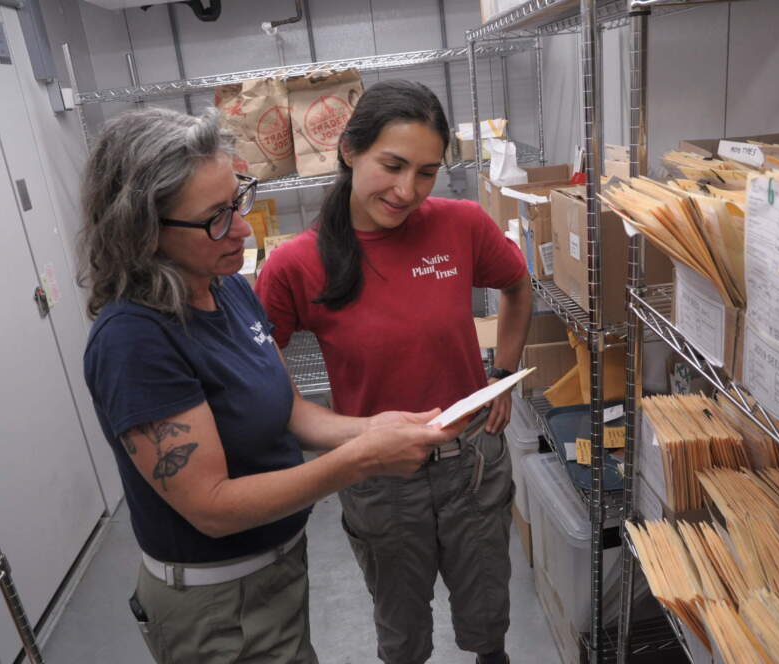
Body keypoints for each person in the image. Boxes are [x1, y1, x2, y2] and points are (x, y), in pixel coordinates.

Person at [78, 106, 460, 664]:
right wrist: (364, 460)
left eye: (237, 201)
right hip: (216, 605)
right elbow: (211, 506)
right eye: (214, 216)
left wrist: (371, 428)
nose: (239, 228)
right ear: (143, 229)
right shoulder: (134, 340)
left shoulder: (224, 286)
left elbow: (287, 409)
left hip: (278, 567)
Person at [255, 80, 534, 664]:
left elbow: (516, 284)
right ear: (349, 150)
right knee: (402, 638)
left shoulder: (460, 225)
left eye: (427, 172)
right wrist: (335, 430)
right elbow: (260, 370)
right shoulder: (294, 265)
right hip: (378, 480)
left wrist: (501, 371)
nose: (408, 190)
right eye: (393, 165)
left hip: (471, 466)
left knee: (488, 622)